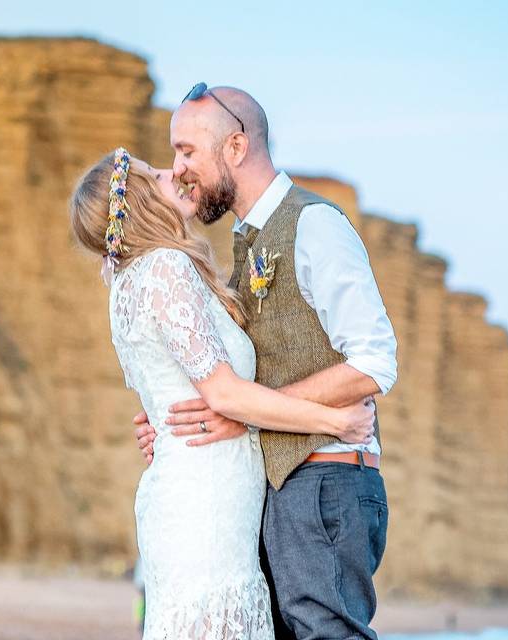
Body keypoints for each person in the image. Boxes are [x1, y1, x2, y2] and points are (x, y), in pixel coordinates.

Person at [68, 147, 377, 640]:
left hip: (193, 488)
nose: (175, 174)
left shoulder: (128, 281)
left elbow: (175, 387)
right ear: (143, 202)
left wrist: (159, 423)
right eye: (157, 174)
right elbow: (226, 394)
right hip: (204, 501)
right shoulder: (165, 267)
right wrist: (334, 421)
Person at [134, 84, 398, 639]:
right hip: (278, 486)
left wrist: (244, 414)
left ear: (235, 147)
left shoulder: (315, 225)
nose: (179, 170)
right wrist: (169, 417)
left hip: (326, 479)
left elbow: (375, 361)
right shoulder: (244, 242)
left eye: (187, 152)